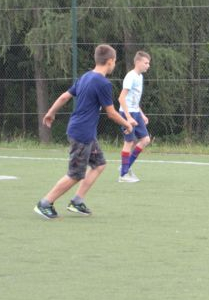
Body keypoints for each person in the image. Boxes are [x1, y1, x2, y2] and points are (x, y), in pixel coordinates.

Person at [34, 44, 134, 219]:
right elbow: (111, 113)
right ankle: (45, 203)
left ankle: (77, 201)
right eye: (115, 61)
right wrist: (127, 124)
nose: (114, 64)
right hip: (82, 134)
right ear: (110, 61)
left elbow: (65, 96)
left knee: (99, 164)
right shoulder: (103, 83)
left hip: (82, 131)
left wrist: (51, 112)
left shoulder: (86, 77)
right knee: (75, 174)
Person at [118, 50, 152, 183]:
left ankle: (125, 167)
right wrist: (129, 117)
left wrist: (141, 115)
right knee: (129, 142)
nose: (148, 65)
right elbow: (121, 98)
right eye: (146, 63)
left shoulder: (140, 77)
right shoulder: (130, 76)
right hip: (127, 114)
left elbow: (134, 100)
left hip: (136, 113)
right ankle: (123, 175)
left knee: (145, 140)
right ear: (138, 62)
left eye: (148, 63)